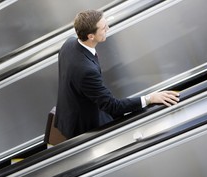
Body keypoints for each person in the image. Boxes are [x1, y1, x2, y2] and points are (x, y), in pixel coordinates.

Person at [54, 10, 179, 139]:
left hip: (69, 112)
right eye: (103, 28)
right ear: (91, 36)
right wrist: (149, 98)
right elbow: (112, 106)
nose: (108, 28)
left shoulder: (69, 44)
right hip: (84, 125)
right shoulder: (86, 71)